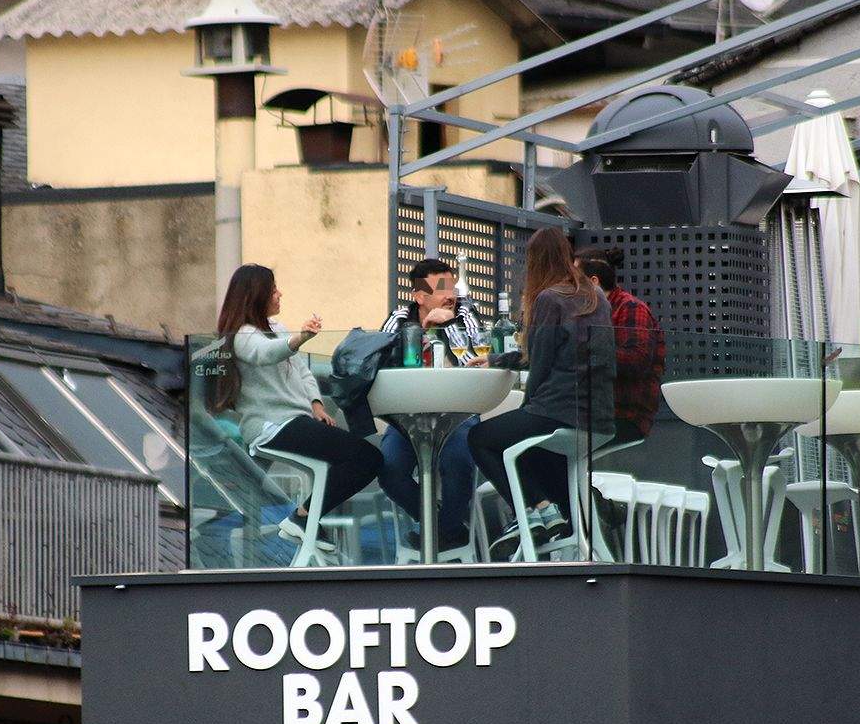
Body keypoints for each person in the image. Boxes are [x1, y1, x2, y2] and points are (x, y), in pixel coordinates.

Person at [466, 228, 615, 561]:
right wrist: (496, 359)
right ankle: (553, 517)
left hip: (559, 409)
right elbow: (554, 353)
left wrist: (528, 404)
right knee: (529, 450)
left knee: (479, 438)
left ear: (535, 261)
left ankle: (535, 513)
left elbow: (541, 365)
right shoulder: (594, 295)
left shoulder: (549, 298)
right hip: (599, 416)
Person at [212, 264, 381, 554]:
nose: (279, 294)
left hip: (295, 420)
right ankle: (304, 517)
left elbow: (301, 371)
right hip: (270, 427)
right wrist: (299, 338)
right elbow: (265, 354)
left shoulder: (275, 328)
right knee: (366, 457)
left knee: (363, 458)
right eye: (273, 289)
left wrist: (315, 404)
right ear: (257, 294)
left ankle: (309, 519)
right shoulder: (242, 335)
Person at [376, 258, 482, 551]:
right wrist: (421, 330)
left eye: (451, 287)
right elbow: (379, 361)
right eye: (441, 289)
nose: (450, 295)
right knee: (388, 468)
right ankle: (443, 527)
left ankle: (442, 534)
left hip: (457, 411)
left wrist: (448, 327)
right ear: (420, 297)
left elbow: (474, 364)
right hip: (410, 414)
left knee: (457, 460)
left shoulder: (464, 313)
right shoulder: (399, 318)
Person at [576, 248, 665, 445]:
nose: (570, 287)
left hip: (623, 415)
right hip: (600, 413)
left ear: (593, 282)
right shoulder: (592, 313)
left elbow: (636, 360)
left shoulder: (630, 308)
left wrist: (582, 355)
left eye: (574, 279)